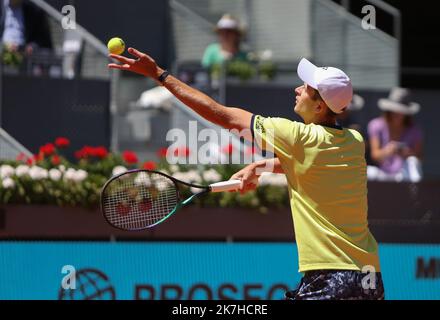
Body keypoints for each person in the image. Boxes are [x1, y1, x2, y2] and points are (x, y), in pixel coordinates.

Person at [108, 48, 385, 300]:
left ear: (319, 105)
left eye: (306, 87)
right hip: (369, 278)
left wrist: (159, 75)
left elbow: (222, 116)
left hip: (330, 277)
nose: (297, 89)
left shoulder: (296, 136)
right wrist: (259, 167)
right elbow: (311, 165)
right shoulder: (353, 141)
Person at [367, 87, 423, 183]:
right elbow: (375, 155)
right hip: (381, 173)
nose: (398, 114)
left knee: (412, 161)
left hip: (402, 175)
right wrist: (388, 151)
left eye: (402, 111)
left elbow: (419, 156)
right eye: (395, 110)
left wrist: (406, 153)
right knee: (367, 172)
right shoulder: (376, 125)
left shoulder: (414, 130)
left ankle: (415, 195)